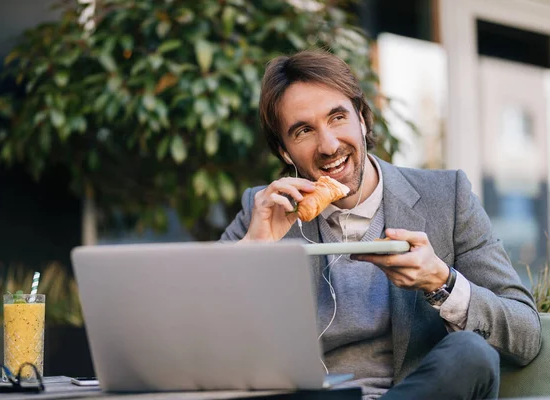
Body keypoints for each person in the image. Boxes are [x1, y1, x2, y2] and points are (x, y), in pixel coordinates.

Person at [220, 50, 541, 400]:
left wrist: (441, 282)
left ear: (362, 119)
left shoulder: (448, 196)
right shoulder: (262, 211)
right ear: (284, 152)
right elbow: (198, 343)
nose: (328, 145)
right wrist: (250, 254)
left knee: (471, 353)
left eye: (337, 117)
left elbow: (526, 335)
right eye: (303, 131)